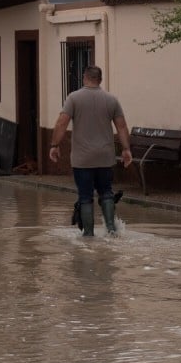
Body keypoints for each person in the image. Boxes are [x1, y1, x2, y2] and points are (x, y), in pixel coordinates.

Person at [49, 66, 133, 237]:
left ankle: (88, 234)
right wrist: (126, 149)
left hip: (82, 159)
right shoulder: (112, 100)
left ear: (84, 78)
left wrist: (54, 145)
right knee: (106, 192)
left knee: (85, 195)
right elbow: (122, 126)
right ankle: (111, 230)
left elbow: (61, 123)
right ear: (100, 80)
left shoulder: (73, 98)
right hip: (105, 157)